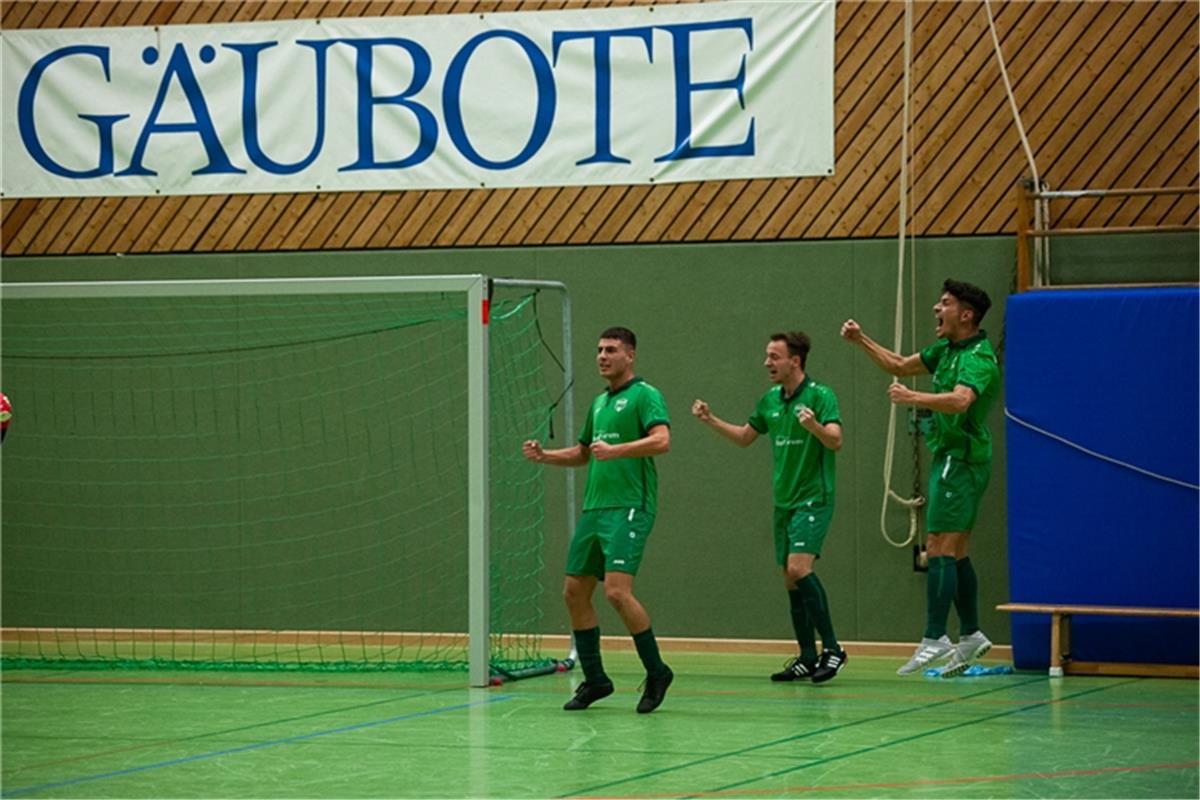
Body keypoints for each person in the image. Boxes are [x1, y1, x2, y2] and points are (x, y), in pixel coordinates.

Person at [840, 278, 999, 677]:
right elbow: (897, 365)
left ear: (966, 314)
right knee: (957, 549)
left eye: (944, 303)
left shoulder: (978, 356)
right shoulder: (946, 350)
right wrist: (862, 340)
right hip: (953, 458)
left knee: (938, 545)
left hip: (959, 460)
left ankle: (934, 637)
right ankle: (972, 635)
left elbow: (962, 400)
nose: (935, 309)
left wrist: (914, 398)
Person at [522, 326, 674, 713]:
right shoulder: (598, 403)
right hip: (595, 509)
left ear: (630, 356)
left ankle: (657, 671)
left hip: (629, 507)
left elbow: (662, 440)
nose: (602, 356)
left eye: (611, 350)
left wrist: (619, 449)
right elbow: (584, 452)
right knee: (573, 592)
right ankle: (596, 679)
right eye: (599, 350)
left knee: (617, 593)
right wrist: (546, 456)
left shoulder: (645, 395)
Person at [692, 332, 847, 684]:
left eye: (774, 357)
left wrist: (815, 427)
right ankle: (808, 656)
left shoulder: (821, 396)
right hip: (784, 502)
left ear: (795, 360)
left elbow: (836, 440)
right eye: (767, 356)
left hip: (814, 497)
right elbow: (746, 437)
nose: (767, 363)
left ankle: (834, 650)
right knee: (790, 581)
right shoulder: (770, 400)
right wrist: (711, 419)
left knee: (799, 569)